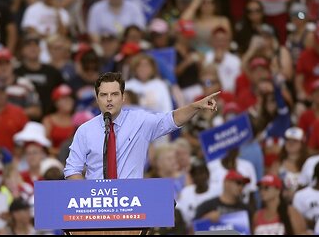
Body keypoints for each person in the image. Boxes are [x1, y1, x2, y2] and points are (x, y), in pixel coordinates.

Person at [64, 72, 219, 180]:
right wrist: (85, 196)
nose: (109, 100)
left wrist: (196, 106)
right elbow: (72, 169)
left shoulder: (140, 120)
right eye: (103, 95)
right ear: (97, 99)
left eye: (115, 94)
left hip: (131, 204)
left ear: (123, 97)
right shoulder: (85, 130)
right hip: (96, 207)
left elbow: (171, 120)